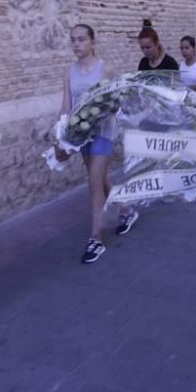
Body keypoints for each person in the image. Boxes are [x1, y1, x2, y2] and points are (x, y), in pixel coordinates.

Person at [56, 24, 136, 264]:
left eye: (81, 39)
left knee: (93, 183)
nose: (76, 44)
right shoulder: (68, 72)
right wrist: (59, 136)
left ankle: (95, 239)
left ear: (93, 42)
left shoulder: (105, 69)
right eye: (73, 40)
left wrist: (104, 110)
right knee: (100, 180)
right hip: (82, 135)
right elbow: (66, 106)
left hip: (103, 132)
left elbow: (117, 101)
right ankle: (126, 210)